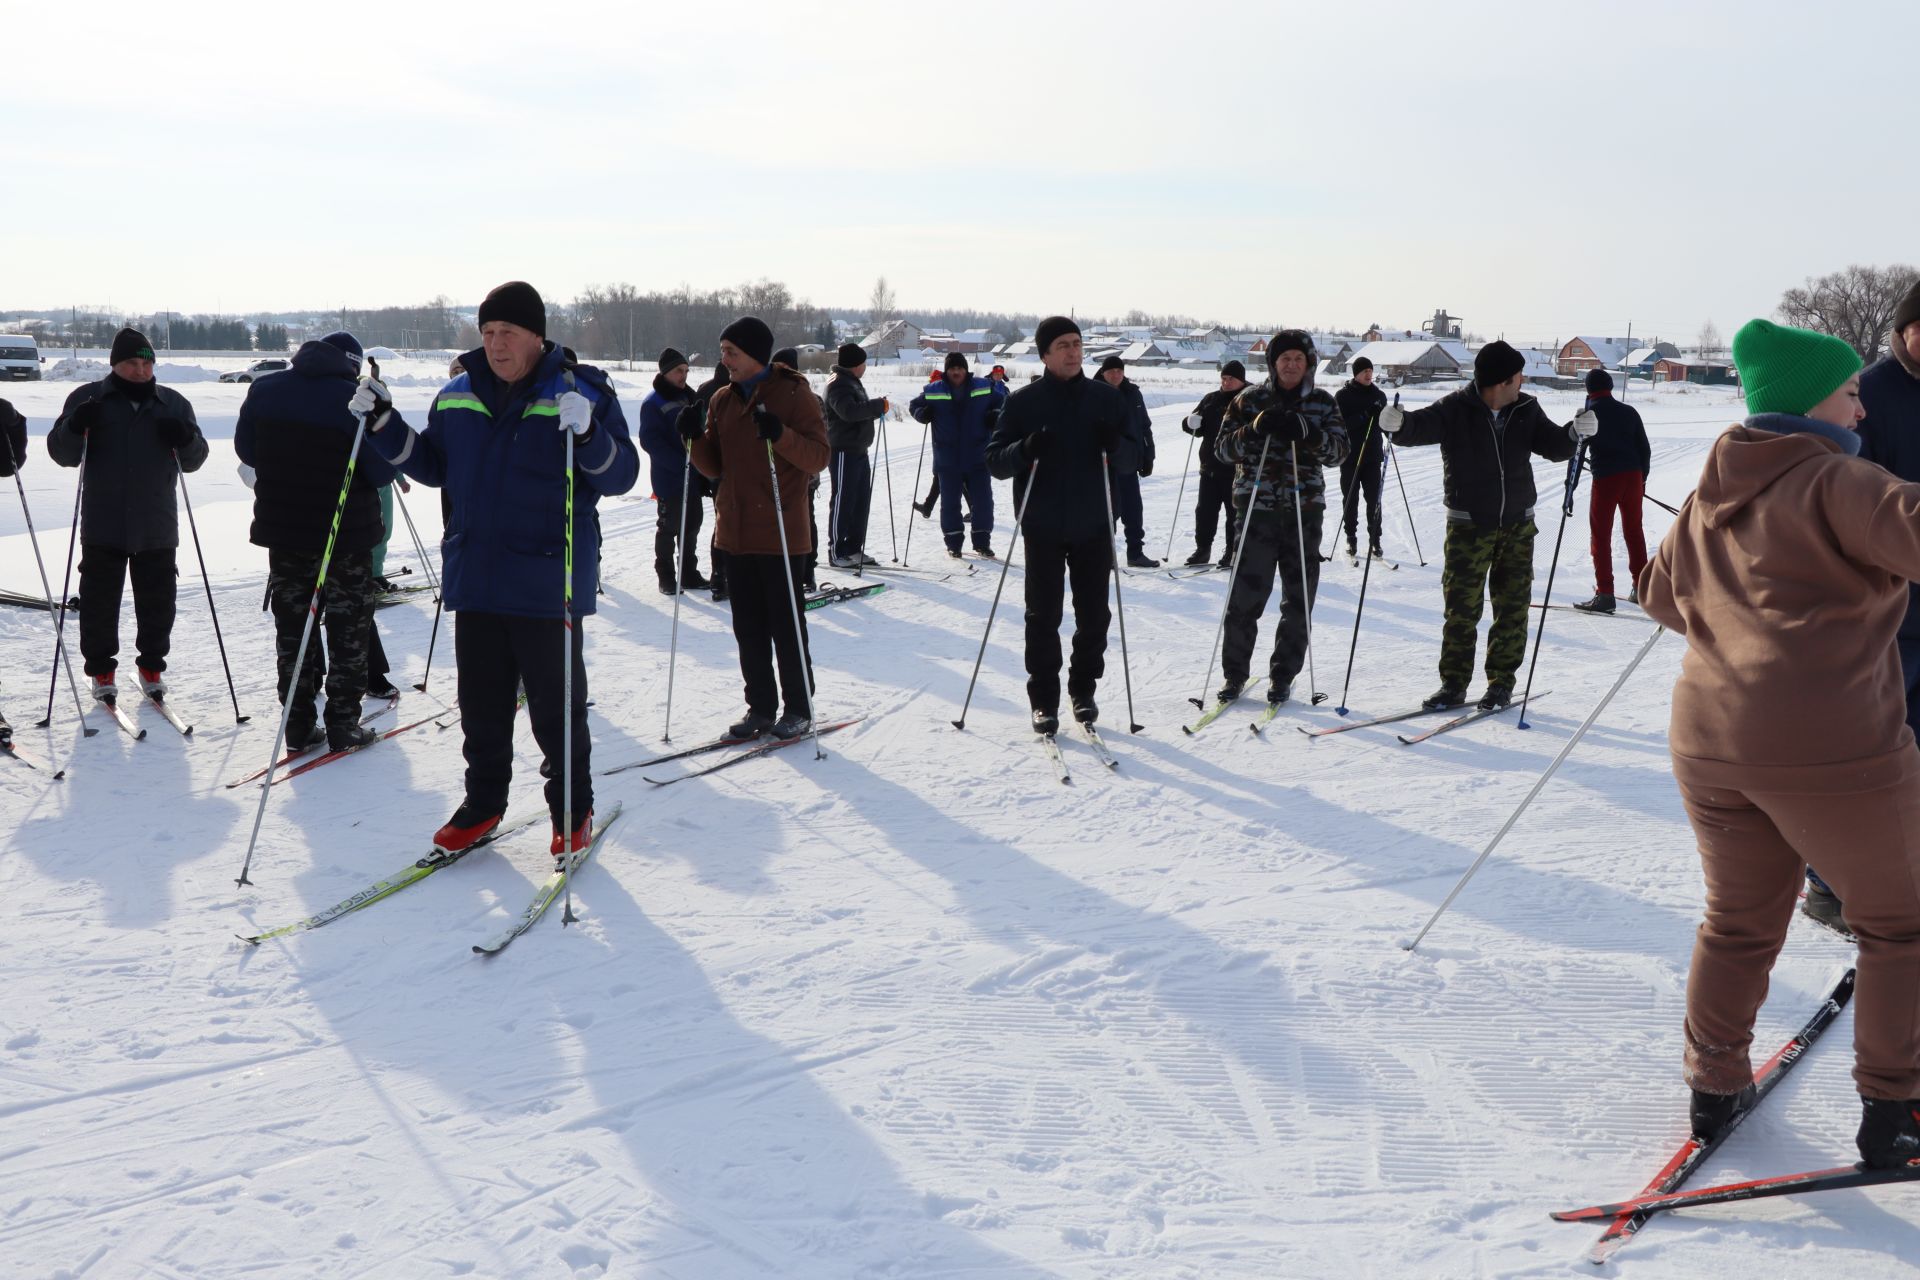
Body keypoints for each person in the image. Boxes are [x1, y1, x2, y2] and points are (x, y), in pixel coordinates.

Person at [1638, 317, 1920, 1170]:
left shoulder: (1710, 490)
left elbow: (1658, 594)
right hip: (1831, 751)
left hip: (1711, 743)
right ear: (1809, 405)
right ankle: (1895, 1112)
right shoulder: (1842, 482)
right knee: (1902, 926)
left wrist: (1741, 631)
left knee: (1738, 922)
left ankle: (1714, 1086)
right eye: (1849, 394)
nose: (1862, 410)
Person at [355, 281, 639, 858]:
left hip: (545, 582)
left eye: (507, 332)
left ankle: (570, 808)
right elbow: (434, 464)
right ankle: (484, 803)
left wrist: (587, 433)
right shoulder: (456, 395)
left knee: (556, 712)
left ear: (537, 335)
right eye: (486, 333)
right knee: (481, 711)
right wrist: (385, 423)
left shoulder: (581, 392)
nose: (496, 344)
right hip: (477, 577)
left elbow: (621, 476)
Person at [1380, 341, 1593, 710]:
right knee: (1461, 610)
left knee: (1512, 608)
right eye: (1518, 377)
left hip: (1517, 527)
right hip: (1468, 527)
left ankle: (1500, 683)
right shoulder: (1455, 408)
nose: (1522, 382)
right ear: (1500, 382)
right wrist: (1397, 426)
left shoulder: (1526, 408)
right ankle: (1453, 685)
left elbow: (1554, 446)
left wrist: (1575, 433)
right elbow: (1419, 427)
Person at [234, 331, 393, 751]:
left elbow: (246, 450)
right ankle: (343, 723)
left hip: (284, 534)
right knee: (348, 631)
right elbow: (381, 471)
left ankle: (298, 724)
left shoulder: (265, 388)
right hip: (346, 536)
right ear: (353, 363)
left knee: (294, 632)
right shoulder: (353, 399)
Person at [46, 327, 209, 704]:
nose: (140, 371)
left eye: (147, 363)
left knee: (158, 602)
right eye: (132, 363)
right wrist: (74, 425)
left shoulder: (174, 404)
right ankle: (102, 670)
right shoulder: (88, 397)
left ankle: (152, 667)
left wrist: (185, 438)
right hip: (104, 520)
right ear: (115, 365)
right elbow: (61, 453)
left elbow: (195, 460)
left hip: (156, 522)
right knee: (99, 603)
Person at [685, 317, 829, 739]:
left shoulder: (793, 393)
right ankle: (760, 707)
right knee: (747, 629)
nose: (724, 359)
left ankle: (798, 706)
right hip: (735, 530)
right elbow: (715, 468)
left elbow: (819, 456)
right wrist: (692, 441)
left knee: (786, 627)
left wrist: (780, 434)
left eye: (731, 351)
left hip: (781, 531)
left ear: (754, 355)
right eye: (723, 350)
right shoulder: (722, 401)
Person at [985, 316, 1125, 732]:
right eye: (1062, 345)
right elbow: (995, 461)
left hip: (1094, 523)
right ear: (1045, 354)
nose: (1072, 351)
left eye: (1077, 344)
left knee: (1095, 616)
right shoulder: (1024, 402)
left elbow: (1136, 458)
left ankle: (1083, 689)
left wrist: (1115, 447)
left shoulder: (1106, 399)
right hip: (1042, 523)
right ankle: (1043, 699)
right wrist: (1025, 448)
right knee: (1043, 616)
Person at [1211, 332, 1349, 706]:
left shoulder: (1322, 403)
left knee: (1298, 599)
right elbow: (1222, 450)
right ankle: (1234, 674)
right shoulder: (1248, 399)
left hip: (1304, 513)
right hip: (1256, 511)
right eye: (1283, 358)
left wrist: (1309, 433)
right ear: (1272, 363)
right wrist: (1254, 428)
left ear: (1308, 364)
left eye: (1297, 359)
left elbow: (1339, 453)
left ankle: (1283, 676)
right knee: (1245, 598)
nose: (1290, 365)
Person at [1570, 368, 1652, 613]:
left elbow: (1577, 454)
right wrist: (1642, 480)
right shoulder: (1629, 411)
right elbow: (1644, 449)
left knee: (1601, 535)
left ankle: (1605, 593)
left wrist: (1570, 489)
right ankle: (1642, 588)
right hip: (1633, 476)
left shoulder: (1589, 414)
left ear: (1588, 389)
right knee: (1634, 531)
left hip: (1607, 478)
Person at [910, 352, 1007, 558]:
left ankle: (982, 542)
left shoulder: (983, 386)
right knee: (950, 504)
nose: (956, 372)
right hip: (948, 459)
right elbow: (914, 405)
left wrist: (995, 416)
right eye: (952, 368)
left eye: (960, 368)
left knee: (983, 502)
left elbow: (1004, 404)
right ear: (946, 371)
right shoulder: (933, 390)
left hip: (978, 457)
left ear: (966, 369)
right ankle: (954, 543)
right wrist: (922, 414)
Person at [638, 347, 710, 594]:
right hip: (669, 477)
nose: (684, 375)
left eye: (686, 371)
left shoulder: (686, 397)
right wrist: (680, 463)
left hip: (693, 474)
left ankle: (689, 572)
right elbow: (650, 441)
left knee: (692, 524)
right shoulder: (653, 402)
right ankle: (666, 576)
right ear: (666, 372)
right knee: (669, 526)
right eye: (679, 371)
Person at [823, 342, 889, 568]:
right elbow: (849, 412)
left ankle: (853, 548)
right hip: (843, 451)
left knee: (860, 501)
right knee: (843, 500)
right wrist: (876, 406)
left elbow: (857, 409)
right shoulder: (838, 384)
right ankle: (837, 551)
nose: (865, 367)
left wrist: (875, 406)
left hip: (859, 450)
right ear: (855, 365)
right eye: (863, 363)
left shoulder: (851, 382)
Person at [1179, 361, 1249, 567]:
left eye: (1231, 379)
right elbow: (1196, 427)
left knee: (1234, 513)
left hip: (1237, 468)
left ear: (1241, 380)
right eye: (1224, 378)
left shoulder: (1248, 399)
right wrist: (1189, 422)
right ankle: (1203, 549)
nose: (1226, 382)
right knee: (1205, 511)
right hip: (1209, 466)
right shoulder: (1211, 399)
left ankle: (1231, 551)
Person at [1095, 354, 1158, 567]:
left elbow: (1144, 427)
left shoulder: (1133, 393)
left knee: (1133, 508)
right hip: (1100, 463)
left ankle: (1135, 553)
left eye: (1119, 371)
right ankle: (1105, 553)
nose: (1116, 375)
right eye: (1111, 371)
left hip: (1129, 459)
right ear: (1103, 373)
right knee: (1106, 509)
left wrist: (1148, 456)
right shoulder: (1091, 392)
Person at [1333, 355, 1390, 560]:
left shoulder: (1379, 396)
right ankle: (1351, 537)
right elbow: (1342, 425)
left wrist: (1392, 425)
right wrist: (1366, 415)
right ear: (1356, 374)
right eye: (1364, 371)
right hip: (1349, 456)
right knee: (1350, 499)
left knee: (1374, 499)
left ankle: (1375, 540)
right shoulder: (1343, 396)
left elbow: (1384, 424)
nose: (1368, 374)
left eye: (1370, 371)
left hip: (1372, 455)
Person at [693, 360, 733, 601]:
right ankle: (722, 577)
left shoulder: (704, 389)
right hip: (724, 468)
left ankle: (720, 577)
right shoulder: (725, 393)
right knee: (727, 522)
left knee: (723, 522)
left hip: (710, 467)